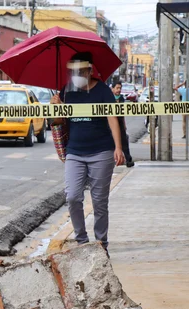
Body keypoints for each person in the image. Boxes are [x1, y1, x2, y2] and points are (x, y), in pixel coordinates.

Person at [51, 52, 125, 251]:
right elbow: (59, 122)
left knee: (100, 202)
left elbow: (112, 118)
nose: (76, 74)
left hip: (101, 152)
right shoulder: (67, 91)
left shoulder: (102, 91)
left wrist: (118, 147)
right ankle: (82, 242)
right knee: (73, 196)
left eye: (80, 71)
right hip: (74, 152)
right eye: (73, 71)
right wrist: (56, 108)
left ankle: (101, 244)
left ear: (90, 71)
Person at [111, 80, 135, 168]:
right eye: (117, 88)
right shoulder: (109, 98)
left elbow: (122, 112)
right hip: (111, 122)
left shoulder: (121, 98)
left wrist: (124, 124)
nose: (118, 90)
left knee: (124, 141)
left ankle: (128, 159)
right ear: (112, 89)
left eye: (120, 88)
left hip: (120, 122)